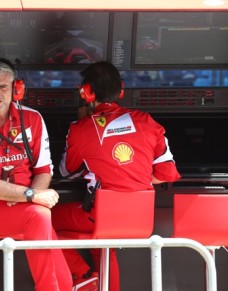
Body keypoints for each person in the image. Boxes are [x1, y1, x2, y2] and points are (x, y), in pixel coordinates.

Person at [52, 61, 181, 291]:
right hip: (141, 221)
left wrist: (83, 121)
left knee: (44, 219)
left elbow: (65, 171)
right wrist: (133, 178)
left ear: (87, 92)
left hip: (100, 217)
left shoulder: (81, 127)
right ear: (121, 90)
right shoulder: (148, 121)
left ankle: (83, 277)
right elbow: (166, 174)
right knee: (102, 241)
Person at [0, 58, 73, 291]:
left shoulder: (34, 118)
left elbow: (43, 169)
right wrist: (29, 196)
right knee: (39, 216)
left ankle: (65, 287)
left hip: (26, 204)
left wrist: (28, 197)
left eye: (3, 87)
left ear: (16, 89)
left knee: (40, 217)